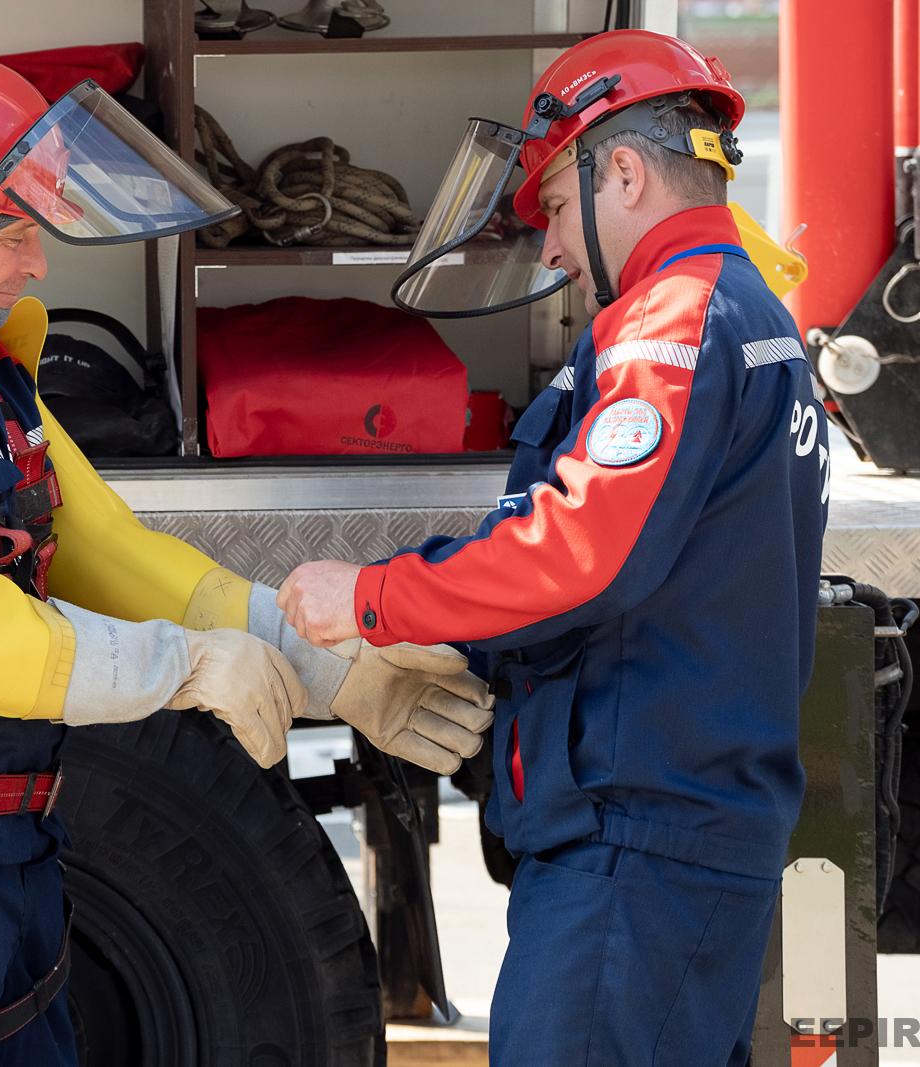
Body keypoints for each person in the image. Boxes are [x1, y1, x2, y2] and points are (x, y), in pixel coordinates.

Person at [0, 56, 493, 1065]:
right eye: (13, 234)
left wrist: (327, 670)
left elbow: (117, 558)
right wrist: (181, 667)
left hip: (5, 854)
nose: (36, 265)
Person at [279, 30, 828, 1066]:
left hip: (639, 846)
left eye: (560, 209)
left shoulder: (675, 319)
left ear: (622, 170)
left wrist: (372, 599)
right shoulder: (737, 311)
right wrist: (454, 631)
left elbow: (583, 548)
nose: (554, 249)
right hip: (669, 837)